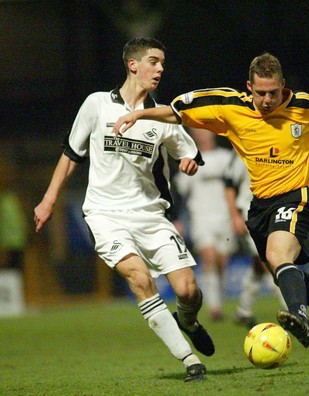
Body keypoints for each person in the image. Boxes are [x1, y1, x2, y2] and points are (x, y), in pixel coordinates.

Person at [112, 51, 309, 348]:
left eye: (273, 92)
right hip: (259, 205)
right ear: (248, 87)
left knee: (279, 256)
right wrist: (139, 113)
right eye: (260, 93)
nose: (267, 100)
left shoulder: (304, 108)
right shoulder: (229, 108)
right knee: (276, 265)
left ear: (283, 85)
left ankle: (298, 315)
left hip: (297, 196)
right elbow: (177, 112)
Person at [34, 38, 214, 382]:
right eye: (153, 61)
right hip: (105, 215)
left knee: (188, 289)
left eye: (162, 63)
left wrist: (190, 162)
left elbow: (188, 152)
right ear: (133, 65)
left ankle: (188, 320)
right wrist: (49, 199)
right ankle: (190, 360)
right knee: (140, 279)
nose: (160, 68)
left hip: (151, 216)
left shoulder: (162, 116)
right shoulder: (97, 105)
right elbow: (71, 154)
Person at [174, 128, 235, 321]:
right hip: (201, 217)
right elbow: (179, 192)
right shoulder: (189, 160)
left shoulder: (226, 158)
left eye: (205, 130)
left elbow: (238, 185)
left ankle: (218, 300)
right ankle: (214, 308)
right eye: (197, 131)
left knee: (222, 262)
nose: (202, 134)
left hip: (225, 217)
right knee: (209, 257)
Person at [223, 151, 286, 329]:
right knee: (270, 261)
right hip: (250, 214)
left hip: (273, 211)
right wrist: (235, 215)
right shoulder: (242, 153)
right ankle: (292, 308)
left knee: (259, 265)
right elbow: (229, 186)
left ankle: (243, 311)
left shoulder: (275, 148)